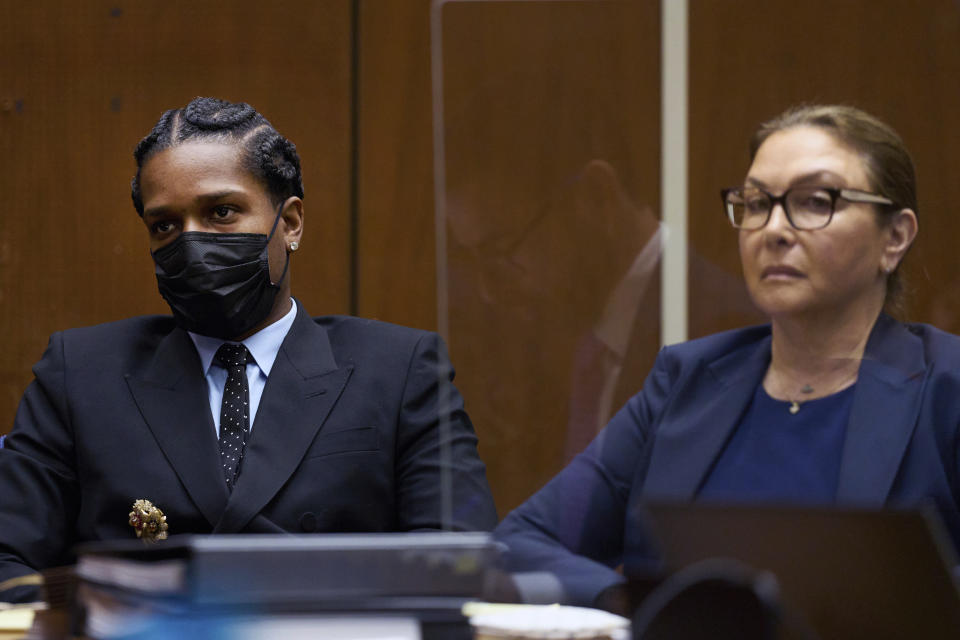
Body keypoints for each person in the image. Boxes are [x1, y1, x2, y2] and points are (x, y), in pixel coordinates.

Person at [0, 97, 497, 602]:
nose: (191, 243)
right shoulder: (81, 373)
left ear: (291, 223)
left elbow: (457, 556)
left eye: (221, 212)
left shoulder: (398, 370)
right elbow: (7, 560)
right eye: (165, 225)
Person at [492, 104, 960, 608]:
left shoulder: (946, 386)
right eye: (756, 203)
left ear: (895, 237)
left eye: (814, 201)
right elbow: (519, 543)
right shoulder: (685, 381)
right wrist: (643, 604)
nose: (774, 229)